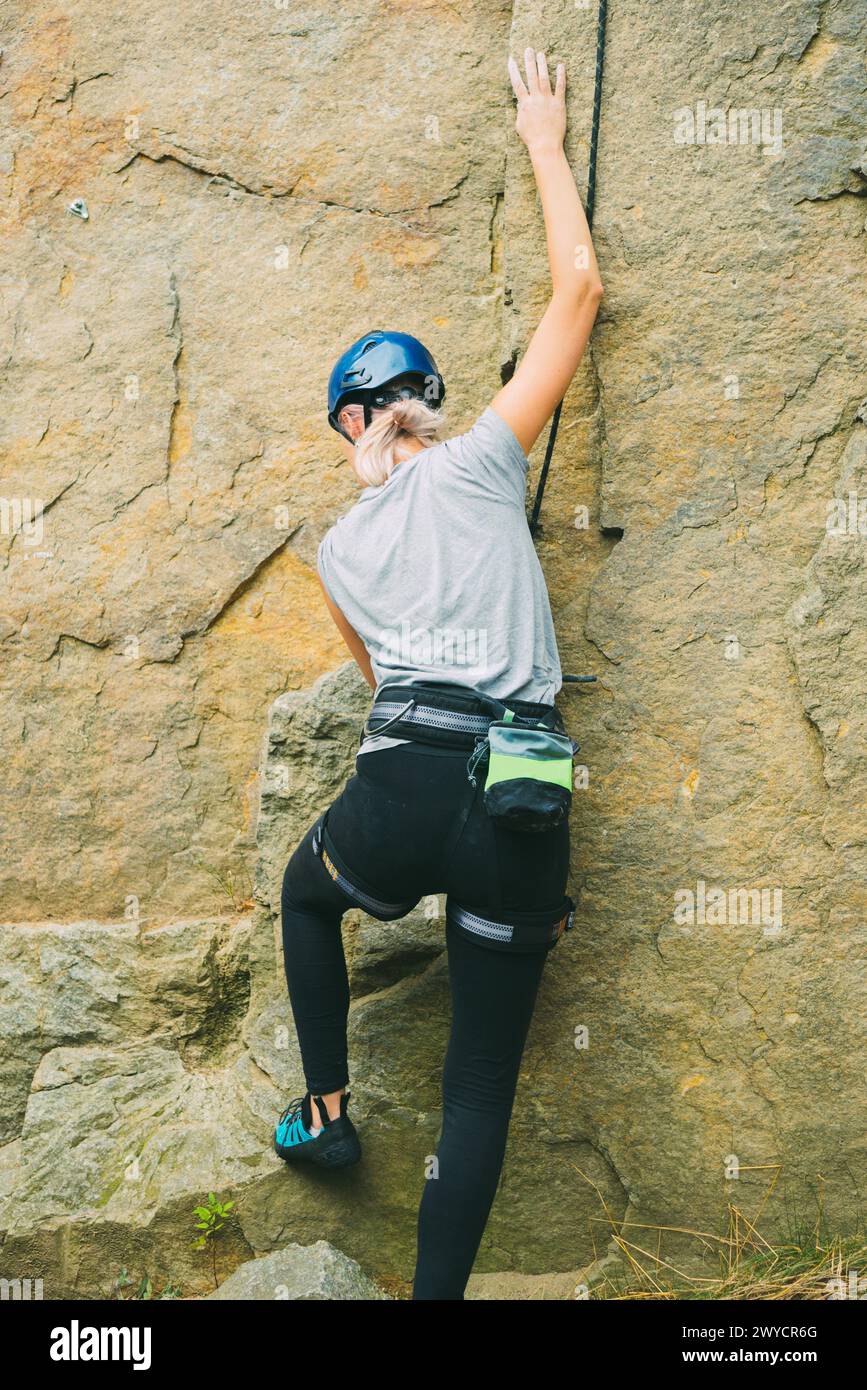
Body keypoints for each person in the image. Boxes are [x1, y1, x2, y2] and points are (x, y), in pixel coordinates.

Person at [275, 47, 603, 1301]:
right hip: (524, 791)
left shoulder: (342, 549)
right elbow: (578, 289)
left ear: (358, 424)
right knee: (476, 1088)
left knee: (309, 897)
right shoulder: (483, 462)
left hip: (405, 783)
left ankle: (326, 1109)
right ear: (425, 403)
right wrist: (543, 137)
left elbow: (377, 691)